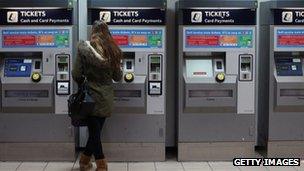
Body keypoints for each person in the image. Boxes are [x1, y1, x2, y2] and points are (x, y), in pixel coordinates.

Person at [72, 20, 123, 171]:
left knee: (95, 133)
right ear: (107, 32)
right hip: (105, 97)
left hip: (90, 97)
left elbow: (76, 74)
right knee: (96, 132)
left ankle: (98, 165)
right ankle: (88, 162)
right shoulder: (113, 51)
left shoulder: (84, 49)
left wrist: (85, 82)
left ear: (93, 31)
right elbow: (117, 76)